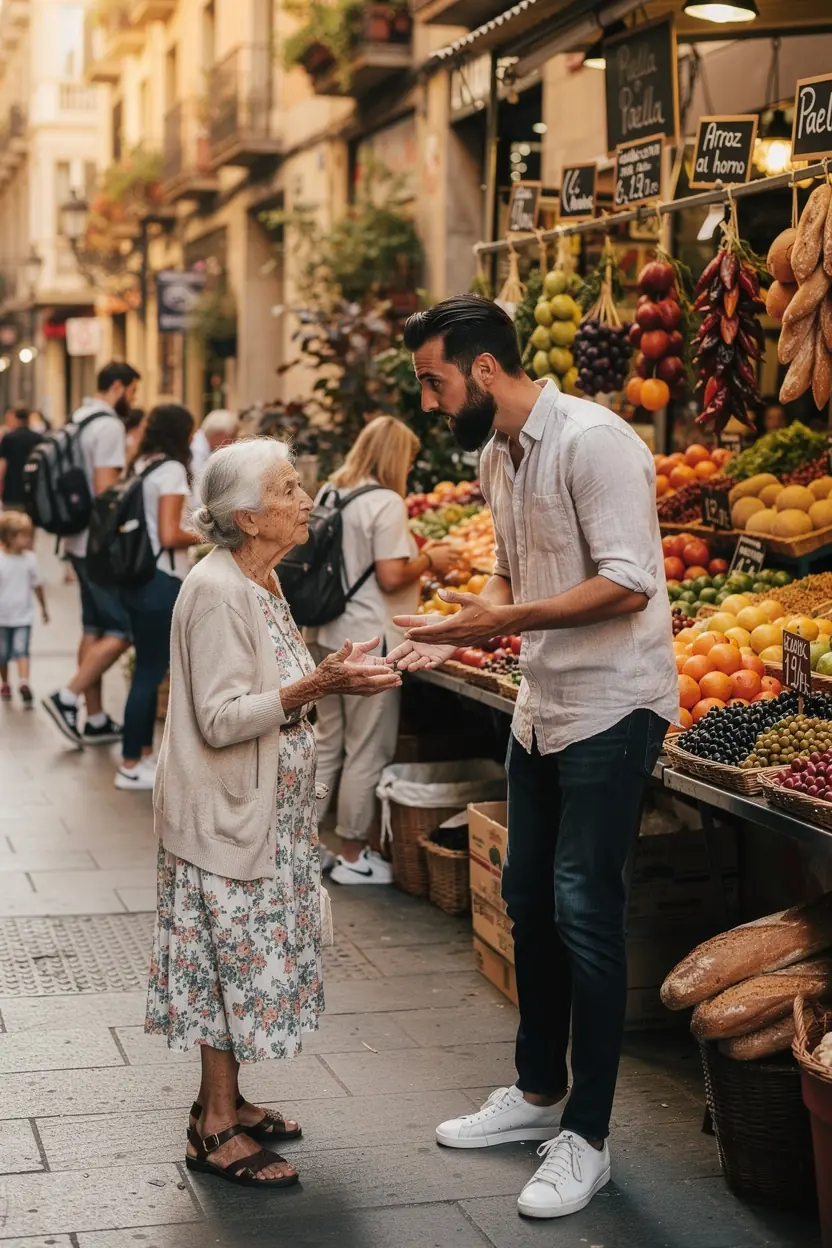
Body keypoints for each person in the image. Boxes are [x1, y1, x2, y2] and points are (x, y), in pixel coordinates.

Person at [388, 296, 677, 1221]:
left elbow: (630, 584)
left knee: (585, 910)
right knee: (525, 899)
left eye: (433, 380)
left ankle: (585, 1139)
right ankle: (536, 1093)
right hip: (541, 707)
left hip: (612, 705)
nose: (429, 402)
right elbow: (512, 571)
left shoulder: (595, 441)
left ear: (481, 369)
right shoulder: (494, 454)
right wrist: (458, 629)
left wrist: (500, 620)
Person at [144, 437, 401, 1188]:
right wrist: (317, 686)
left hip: (264, 818)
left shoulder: (258, 580)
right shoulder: (219, 589)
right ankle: (216, 1128)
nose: (305, 498)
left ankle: (223, 1103)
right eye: (289, 489)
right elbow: (222, 718)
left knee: (239, 959)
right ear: (249, 518)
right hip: (225, 817)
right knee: (225, 966)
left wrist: (327, 676)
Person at [312, 415, 456, 885]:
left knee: (329, 742)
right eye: (409, 458)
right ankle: (354, 854)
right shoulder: (386, 502)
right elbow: (392, 575)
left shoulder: (331, 491)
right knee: (367, 749)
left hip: (329, 635)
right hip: (372, 639)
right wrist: (431, 559)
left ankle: (305, 843)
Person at [42, 361, 140, 747]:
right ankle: (67, 697)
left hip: (75, 540)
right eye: (132, 391)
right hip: (99, 544)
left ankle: (96, 718)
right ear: (118, 387)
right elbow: (105, 491)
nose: (133, 399)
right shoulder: (109, 425)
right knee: (123, 630)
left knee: (94, 628)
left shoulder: (77, 417)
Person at [116, 404, 201, 792]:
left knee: (147, 670)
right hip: (162, 579)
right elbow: (169, 535)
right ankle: (131, 762)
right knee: (150, 672)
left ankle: (142, 756)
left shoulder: (143, 465)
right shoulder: (169, 471)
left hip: (139, 580)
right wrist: (210, 532)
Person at [0, 510, 48, 706]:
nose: (29, 540)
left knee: (22, 650)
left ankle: (23, 682)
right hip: (2, 616)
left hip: (23, 615)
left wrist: (44, 608)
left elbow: (37, 585)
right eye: (24, 535)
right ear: (9, 537)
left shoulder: (30, 559)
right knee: (2, 653)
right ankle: (5, 682)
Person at [189, 409, 239, 508]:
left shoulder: (207, 447)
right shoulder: (196, 451)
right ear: (218, 434)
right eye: (231, 436)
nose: (232, 442)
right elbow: (199, 491)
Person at [0, 408, 44, 511]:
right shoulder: (37, 438)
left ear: (16, 419)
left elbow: (2, 464)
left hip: (12, 488)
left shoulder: (9, 438)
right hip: (33, 488)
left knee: (12, 522)